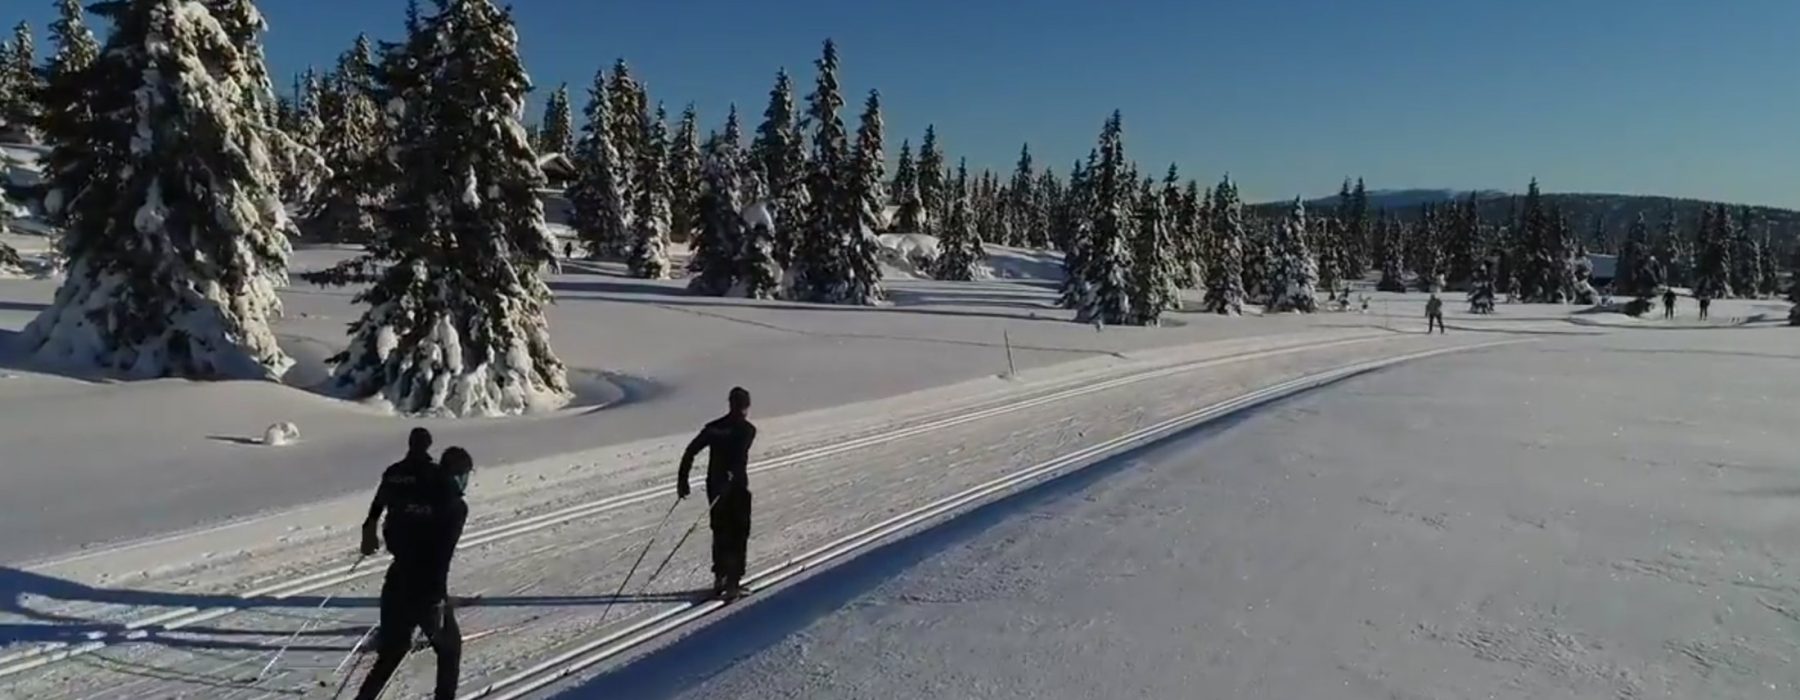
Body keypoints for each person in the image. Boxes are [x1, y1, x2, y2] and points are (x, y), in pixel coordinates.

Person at [354, 432, 471, 700]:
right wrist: (438, 599)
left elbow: (388, 515)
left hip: (396, 581)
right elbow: (439, 555)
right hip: (428, 592)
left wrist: (371, 529)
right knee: (450, 650)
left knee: (391, 653)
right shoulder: (454, 507)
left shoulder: (404, 483)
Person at [677, 387, 758, 599]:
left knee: (720, 531)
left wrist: (682, 481)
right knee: (738, 533)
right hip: (737, 488)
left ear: (730, 403)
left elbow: (690, 451)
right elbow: (738, 456)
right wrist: (730, 476)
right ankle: (733, 582)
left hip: (715, 486)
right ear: (746, 406)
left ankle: (720, 577)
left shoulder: (714, 428)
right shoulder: (747, 430)